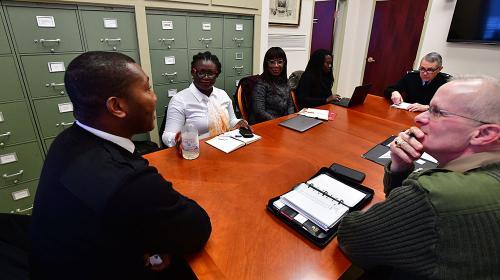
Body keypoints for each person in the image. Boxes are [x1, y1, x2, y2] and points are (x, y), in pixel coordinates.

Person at [30, 51, 212, 279]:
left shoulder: (67, 139)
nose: (154, 97)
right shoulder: (129, 182)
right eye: (146, 89)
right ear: (117, 107)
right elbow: (197, 229)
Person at [338, 75, 500, 279]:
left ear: (484, 134)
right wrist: (400, 168)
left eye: (437, 112)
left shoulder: (433, 195)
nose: (419, 118)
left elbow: (353, 238)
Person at [162, 51, 250, 148]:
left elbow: (231, 120)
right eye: (201, 73)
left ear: (217, 75)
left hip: (226, 146)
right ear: (193, 72)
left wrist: (239, 122)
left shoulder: (222, 94)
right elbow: (167, 136)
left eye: (211, 73)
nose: (206, 77)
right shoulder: (179, 100)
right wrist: (177, 138)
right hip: (196, 150)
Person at [384, 52, 450, 112]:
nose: (425, 73)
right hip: (408, 113)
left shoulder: (445, 83)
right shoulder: (411, 77)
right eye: (422, 68)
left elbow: (449, 107)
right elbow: (388, 90)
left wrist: (427, 107)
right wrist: (393, 92)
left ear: (439, 69)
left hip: (430, 117)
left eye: (430, 70)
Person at [251, 47, 295, 123]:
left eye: (280, 62)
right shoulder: (261, 83)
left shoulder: (285, 81)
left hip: (284, 122)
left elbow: (290, 106)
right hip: (267, 124)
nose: (276, 65)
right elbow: (259, 111)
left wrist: (290, 119)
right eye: (272, 62)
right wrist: (279, 121)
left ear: (284, 63)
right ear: (266, 64)